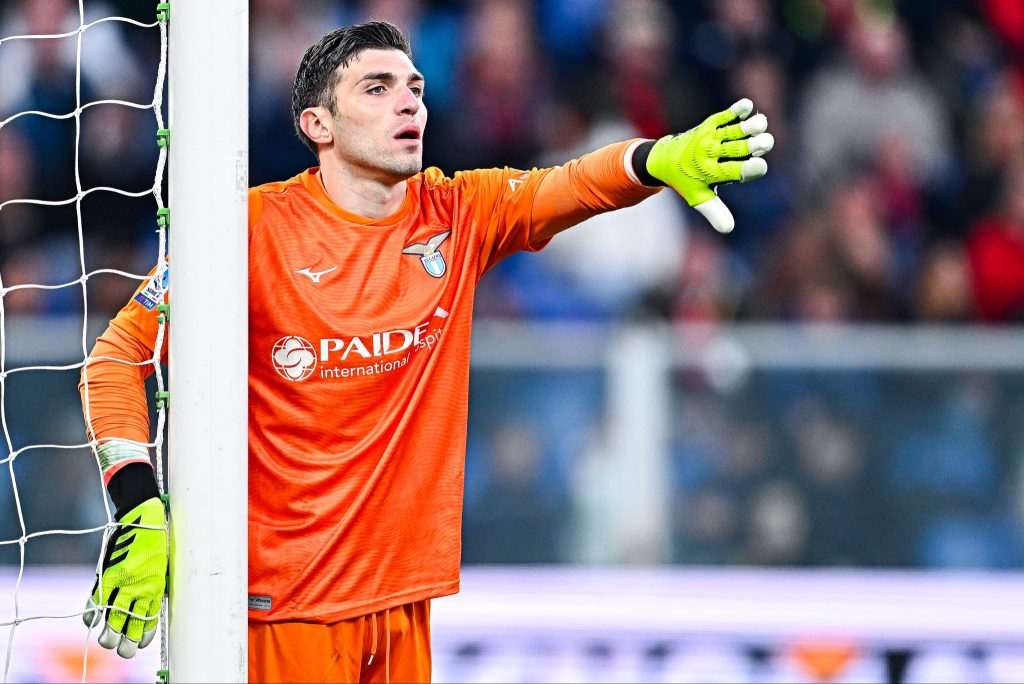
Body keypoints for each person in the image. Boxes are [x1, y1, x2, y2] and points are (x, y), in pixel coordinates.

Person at [78, 21, 773, 683]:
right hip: (285, 607)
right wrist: (138, 502)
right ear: (318, 125)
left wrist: (656, 158)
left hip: (404, 603)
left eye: (414, 87)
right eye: (377, 88)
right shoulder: (250, 227)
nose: (409, 102)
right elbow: (115, 357)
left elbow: (570, 184)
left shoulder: (456, 213)